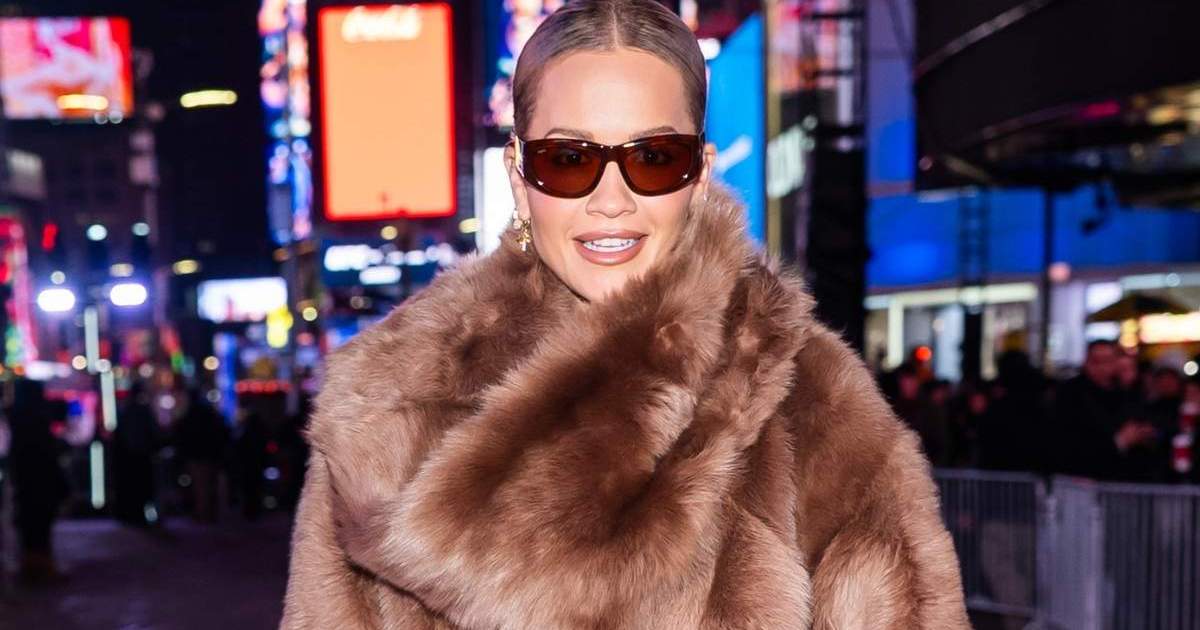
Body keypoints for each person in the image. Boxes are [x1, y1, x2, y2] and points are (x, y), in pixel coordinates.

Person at [282, 2, 968, 628]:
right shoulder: (388, 412)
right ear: (520, 178)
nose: (611, 199)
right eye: (569, 159)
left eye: (653, 157)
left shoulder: (815, 404)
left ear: (699, 176)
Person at [1053, 340, 1156, 480]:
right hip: (1083, 479)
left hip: (1121, 479)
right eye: (1096, 361)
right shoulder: (1070, 394)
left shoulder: (1124, 393)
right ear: (1086, 362)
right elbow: (1069, 445)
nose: (1102, 367)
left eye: (1107, 361)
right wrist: (1120, 441)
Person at [7, 378, 69, 584]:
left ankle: (34, 566)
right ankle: (39, 567)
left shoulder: (18, 419)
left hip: (27, 483)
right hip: (39, 482)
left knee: (31, 526)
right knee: (39, 526)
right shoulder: (36, 420)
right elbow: (46, 453)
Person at [175, 387, 229, 522]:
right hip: (210, 454)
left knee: (200, 486)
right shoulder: (209, 414)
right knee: (209, 485)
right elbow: (221, 431)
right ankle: (209, 513)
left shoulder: (190, 415)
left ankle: (203, 514)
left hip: (197, 455)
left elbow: (181, 434)